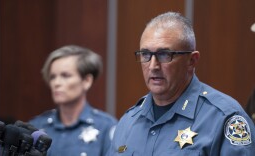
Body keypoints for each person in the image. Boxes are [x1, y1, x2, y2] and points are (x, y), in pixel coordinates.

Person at [107, 12, 255, 155]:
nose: (153, 66)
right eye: (145, 54)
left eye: (164, 54)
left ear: (192, 60)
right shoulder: (129, 121)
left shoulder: (224, 117)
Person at [29, 45, 117, 156]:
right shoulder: (36, 126)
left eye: (65, 76)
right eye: (52, 77)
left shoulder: (106, 127)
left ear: (86, 81)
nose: (56, 83)